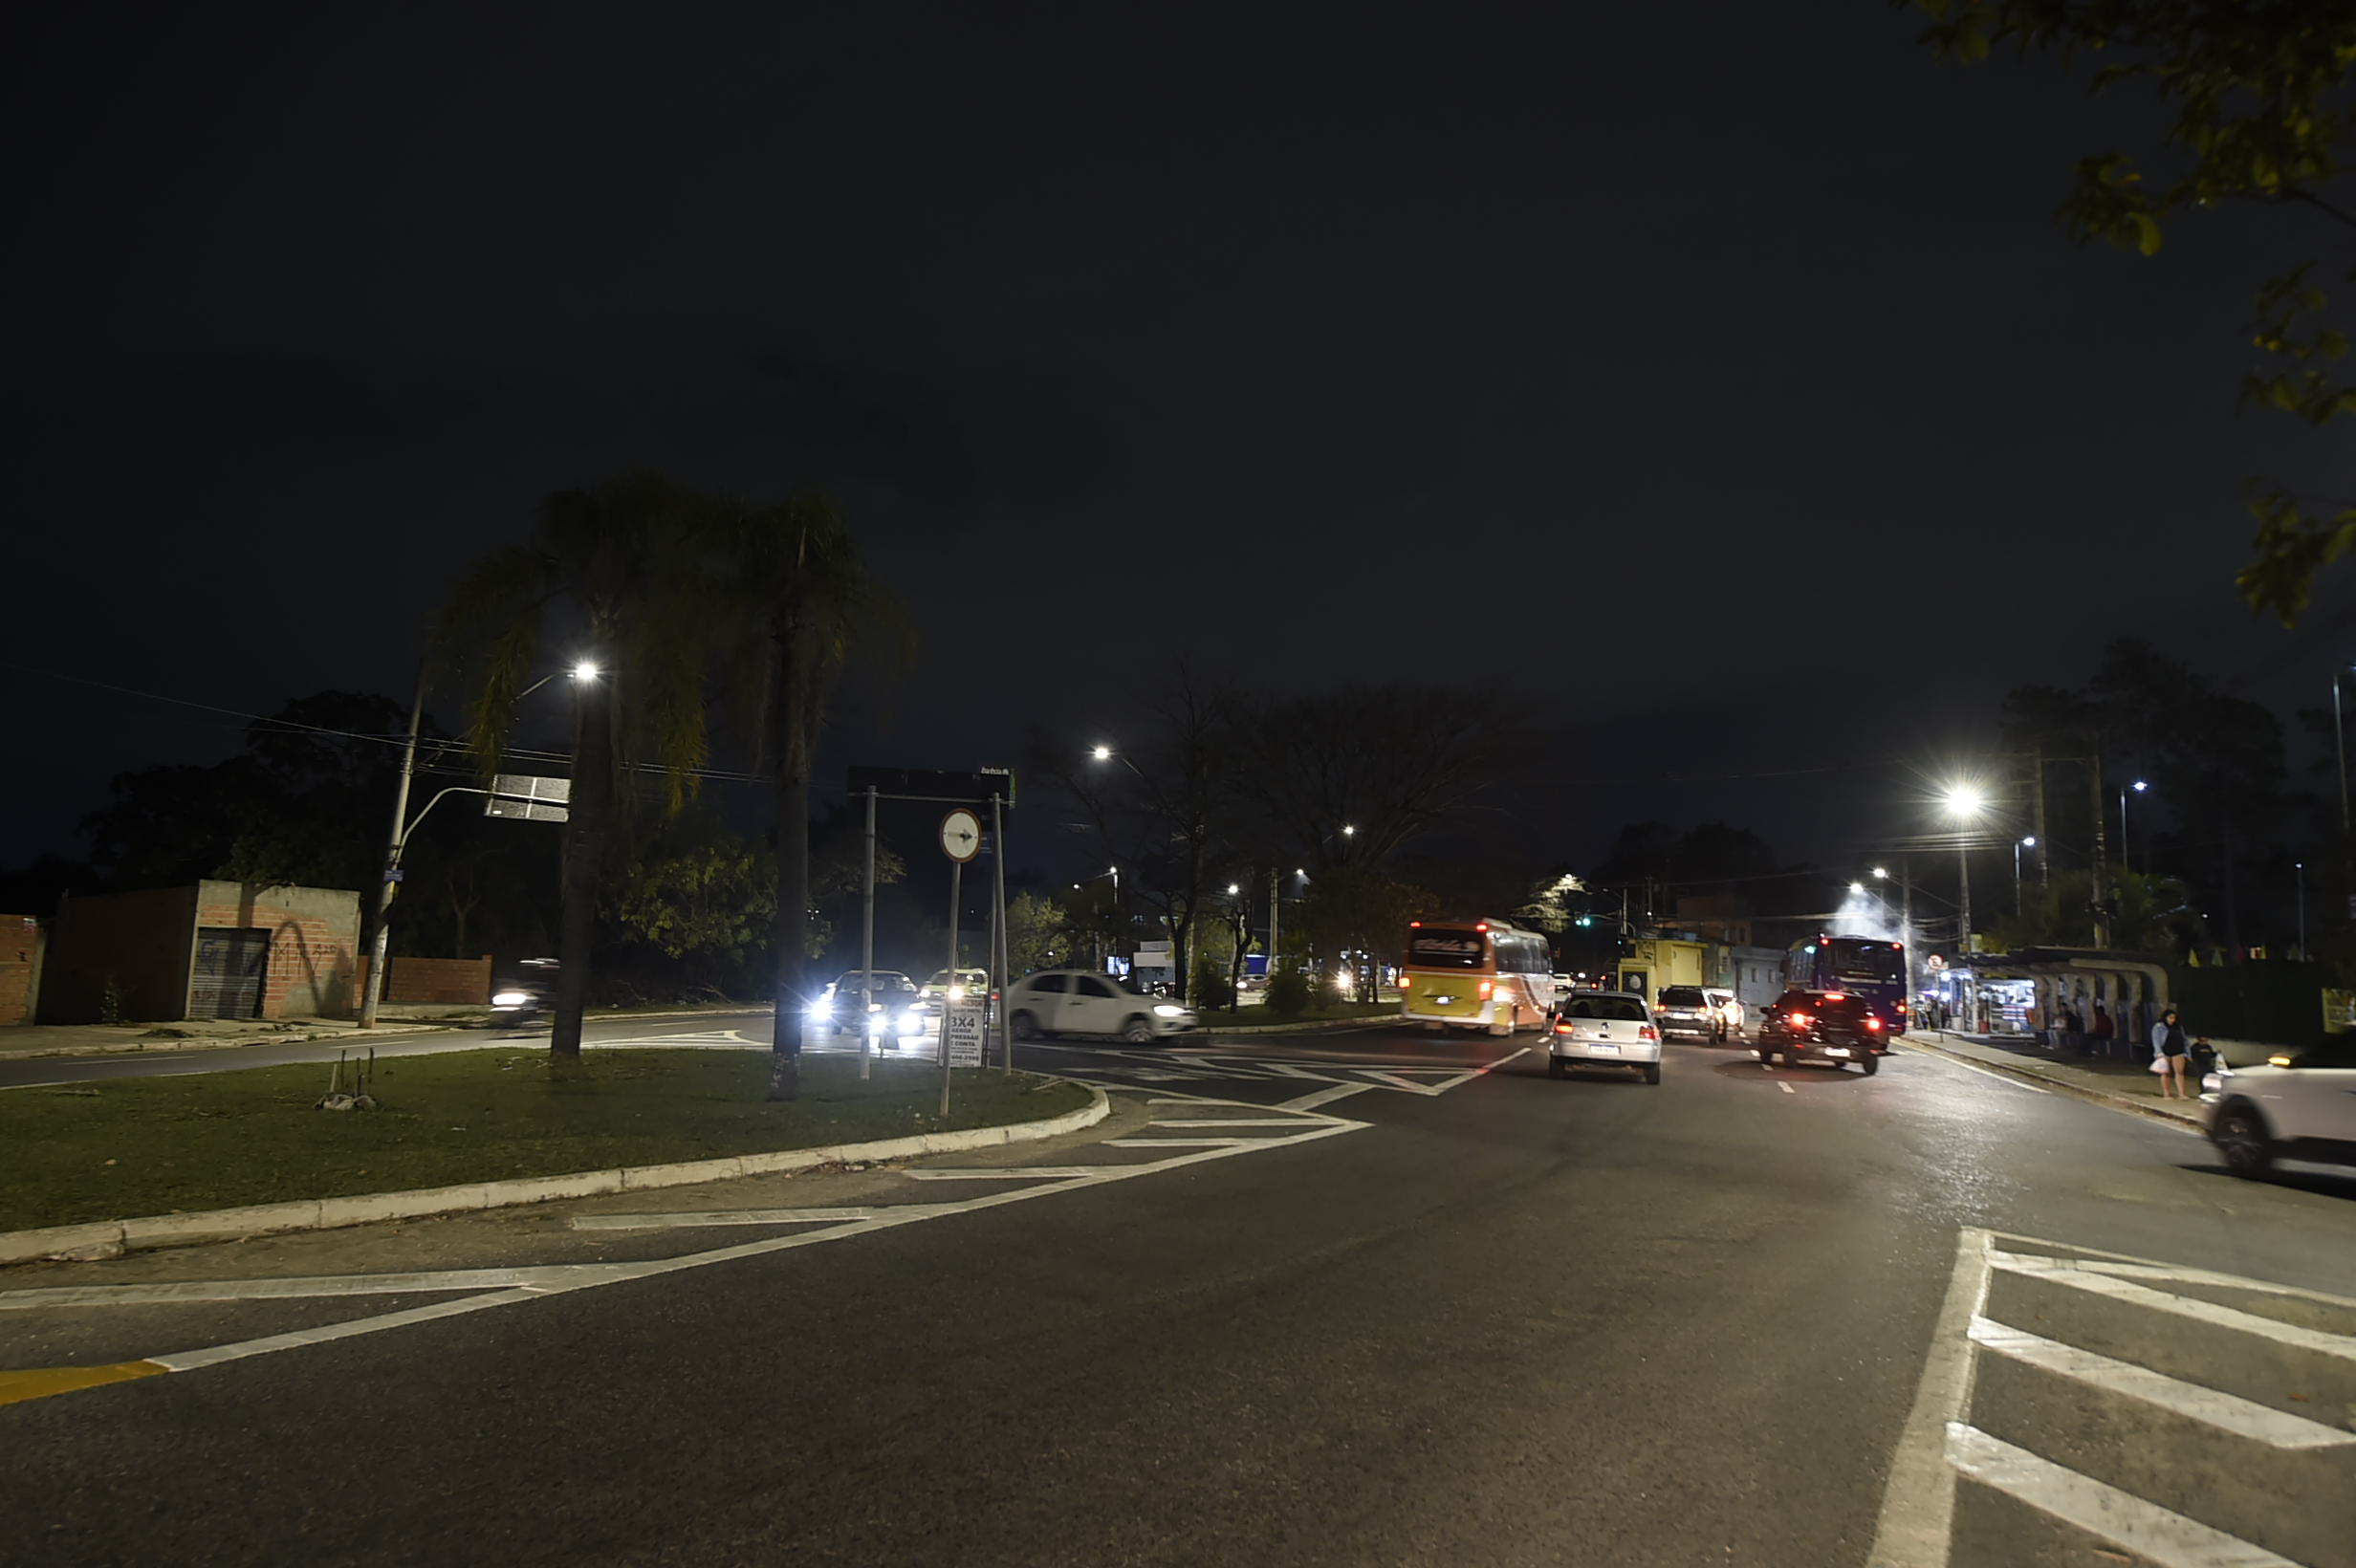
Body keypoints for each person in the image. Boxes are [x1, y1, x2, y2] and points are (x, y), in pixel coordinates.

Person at [2150, 1006, 2192, 1099]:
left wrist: (2188, 1053)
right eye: (2170, 1018)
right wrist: (2159, 1052)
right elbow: (2156, 1040)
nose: (2172, 1020)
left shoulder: (2179, 1027)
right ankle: (2166, 1093)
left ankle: (2182, 1093)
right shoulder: (2159, 1027)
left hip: (2178, 1051)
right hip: (2165, 1051)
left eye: (2174, 1018)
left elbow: (2185, 1040)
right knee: (2166, 1073)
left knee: (2180, 1072)